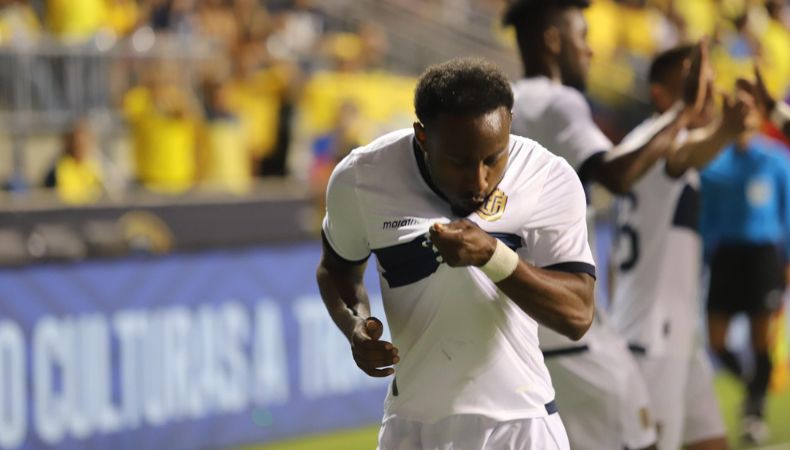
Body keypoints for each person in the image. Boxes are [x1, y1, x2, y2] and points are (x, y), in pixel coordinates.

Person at [317, 58, 597, 449]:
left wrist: (493, 256)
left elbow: (577, 314)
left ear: (509, 124)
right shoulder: (362, 177)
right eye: (460, 162)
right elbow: (337, 270)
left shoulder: (546, 176)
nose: (480, 180)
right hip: (411, 428)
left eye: (494, 158)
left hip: (521, 427)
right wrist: (356, 327)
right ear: (423, 137)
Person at [503, 0, 707, 448]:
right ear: (553, 41)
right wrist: (681, 112)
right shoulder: (558, 101)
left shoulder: (503, 106)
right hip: (573, 332)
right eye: (582, 37)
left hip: (520, 342)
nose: (590, 51)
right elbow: (615, 173)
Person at [610, 44, 754, 450]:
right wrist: (726, 129)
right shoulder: (655, 145)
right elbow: (682, 154)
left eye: (708, 86)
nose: (706, 97)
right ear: (660, 94)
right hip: (653, 342)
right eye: (694, 87)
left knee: (711, 442)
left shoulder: (642, 148)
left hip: (674, 337)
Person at [700, 95, 790, 445]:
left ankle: (754, 411)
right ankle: (753, 384)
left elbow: (787, 212)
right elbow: (706, 217)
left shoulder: (776, 159)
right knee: (716, 341)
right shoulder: (713, 162)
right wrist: (704, 257)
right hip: (726, 256)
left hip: (763, 256)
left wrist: (786, 261)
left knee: (761, 339)